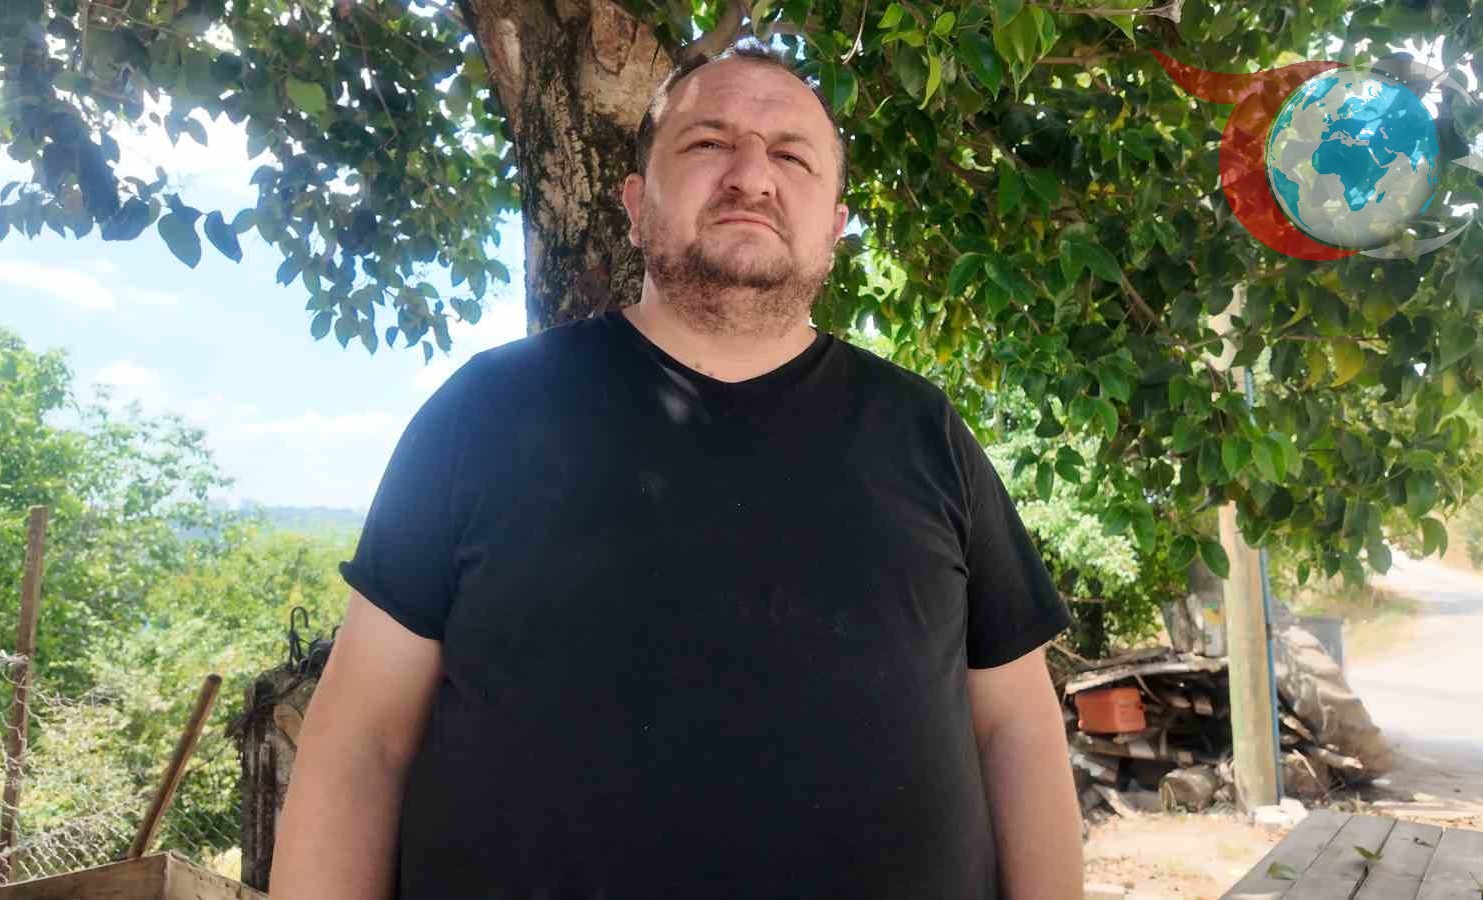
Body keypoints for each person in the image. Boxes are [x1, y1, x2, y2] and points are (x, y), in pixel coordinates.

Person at [269, 40, 1083, 900]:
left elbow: (1017, 731)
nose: (751, 177)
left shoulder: (929, 434)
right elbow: (361, 741)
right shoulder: (482, 413)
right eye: (707, 143)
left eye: (792, 157)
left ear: (836, 227)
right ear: (635, 204)